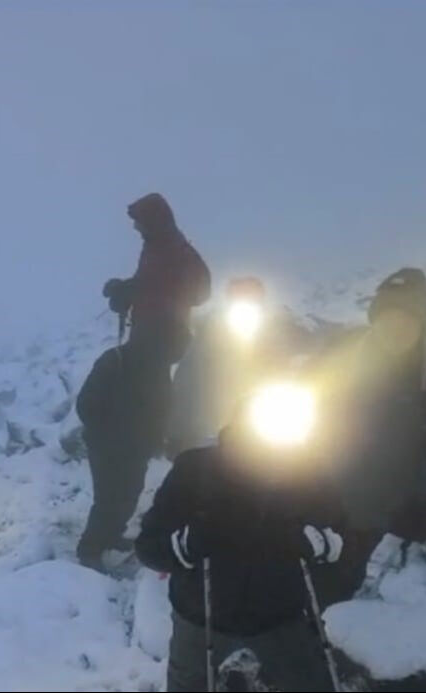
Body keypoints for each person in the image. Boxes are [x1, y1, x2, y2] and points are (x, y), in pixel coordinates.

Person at [136, 398, 345, 692]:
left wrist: (314, 542)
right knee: (189, 683)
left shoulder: (307, 473)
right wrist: (188, 543)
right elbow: (148, 547)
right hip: (202, 614)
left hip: (281, 616)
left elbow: (339, 538)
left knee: (308, 682)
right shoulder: (195, 471)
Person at [309, 268, 426, 605]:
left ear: (422, 322)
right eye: (387, 317)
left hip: (383, 505)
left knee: (335, 585)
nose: (395, 328)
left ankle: (326, 637)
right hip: (315, 488)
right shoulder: (343, 354)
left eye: (407, 320)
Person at [167, 277, 318, 457]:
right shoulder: (207, 339)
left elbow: (290, 377)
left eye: (253, 300)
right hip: (212, 433)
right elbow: (188, 382)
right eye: (241, 299)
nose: (248, 306)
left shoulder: (276, 336)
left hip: (267, 427)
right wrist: (179, 433)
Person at [74, 333, 171, 571]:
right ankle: (89, 549)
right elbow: (85, 404)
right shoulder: (113, 360)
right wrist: (109, 433)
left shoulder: (158, 367)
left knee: (131, 493)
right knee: (108, 498)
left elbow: (164, 404)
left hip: (137, 446)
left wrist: (155, 437)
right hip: (106, 446)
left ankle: (112, 535)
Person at [103, 192, 211, 364]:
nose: (135, 227)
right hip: (151, 339)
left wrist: (131, 291)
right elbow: (150, 283)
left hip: (162, 340)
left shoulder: (173, 249)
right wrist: (125, 289)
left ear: (151, 221)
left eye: (139, 222)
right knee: (113, 367)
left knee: (110, 366)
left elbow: (200, 290)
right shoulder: (155, 248)